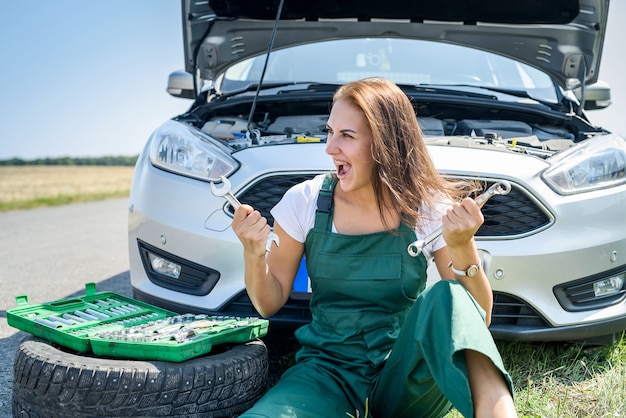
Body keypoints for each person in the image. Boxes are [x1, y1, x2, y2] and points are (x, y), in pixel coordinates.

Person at [232, 77, 517, 417]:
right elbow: (268, 302)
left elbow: (477, 318)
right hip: (327, 373)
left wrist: (461, 245)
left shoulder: (428, 208)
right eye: (330, 131)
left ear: (384, 143)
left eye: (346, 136)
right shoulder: (303, 201)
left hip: (404, 373)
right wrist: (253, 251)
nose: (329, 147)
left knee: (449, 297)